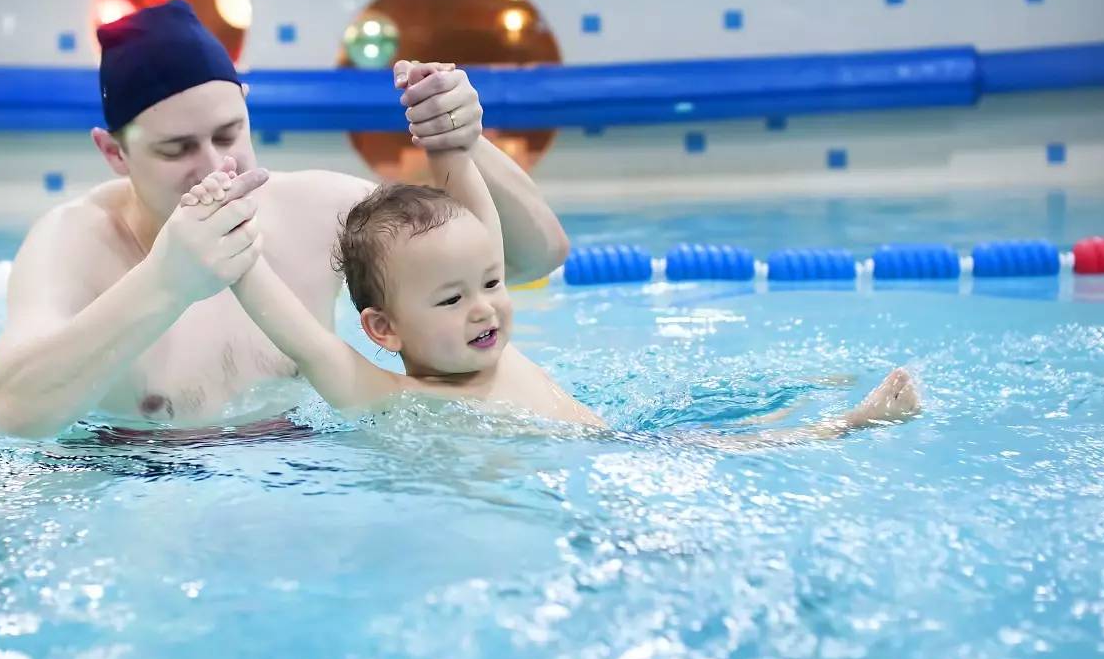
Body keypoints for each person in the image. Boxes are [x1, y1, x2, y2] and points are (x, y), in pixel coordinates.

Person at [184, 65, 922, 443]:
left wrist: (445, 133)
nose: (484, 306)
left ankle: (821, 409)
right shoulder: (393, 396)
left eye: (490, 284)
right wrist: (236, 247)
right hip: (601, 471)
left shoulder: (491, 348)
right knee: (718, 447)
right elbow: (306, 340)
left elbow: (474, 220)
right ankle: (843, 427)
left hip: (621, 447)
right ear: (382, 328)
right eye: (449, 299)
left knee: (706, 436)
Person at [0, 0, 570, 438]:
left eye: (228, 135)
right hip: (143, 487)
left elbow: (533, 257)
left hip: (304, 475)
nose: (214, 166)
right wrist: (165, 281)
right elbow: (4, 415)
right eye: (176, 149)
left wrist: (468, 142)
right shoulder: (74, 241)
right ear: (114, 154)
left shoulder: (320, 208)